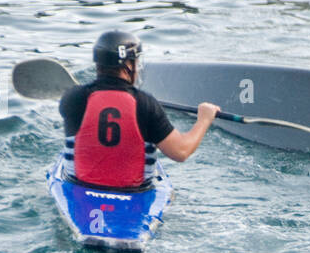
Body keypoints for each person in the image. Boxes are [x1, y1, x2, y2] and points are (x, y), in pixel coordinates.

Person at [58, 30, 219, 190]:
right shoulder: (145, 103)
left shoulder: (73, 98)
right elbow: (181, 152)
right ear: (128, 65)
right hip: (134, 192)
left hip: (80, 186)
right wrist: (204, 119)